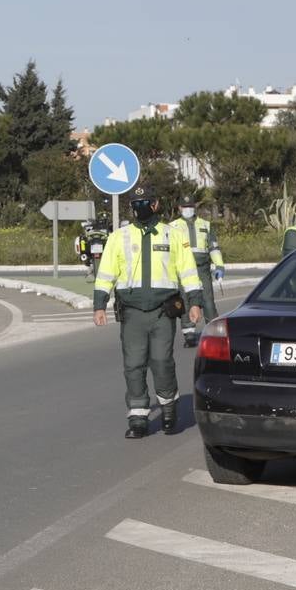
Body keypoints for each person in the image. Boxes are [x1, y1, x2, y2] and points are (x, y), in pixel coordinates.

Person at [93, 185, 203, 439]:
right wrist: (100, 304)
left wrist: (195, 302)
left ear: (155, 205)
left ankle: (168, 407)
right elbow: (106, 272)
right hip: (132, 312)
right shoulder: (119, 237)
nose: (140, 207)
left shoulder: (172, 235)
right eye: (135, 203)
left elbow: (188, 270)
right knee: (133, 364)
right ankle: (138, 416)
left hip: (162, 311)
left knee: (162, 361)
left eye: (145, 202)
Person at [171, 196, 225, 349]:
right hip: (182, 270)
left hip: (202, 269)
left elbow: (213, 248)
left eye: (190, 206)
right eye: (185, 206)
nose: (188, 209)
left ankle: (214, 334)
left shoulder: (205, 225)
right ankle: (189, 335)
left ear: (194, 207)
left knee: (208, 301)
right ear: (179, 208)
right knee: (186, 302)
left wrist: (219, 266)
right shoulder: (172, 226)